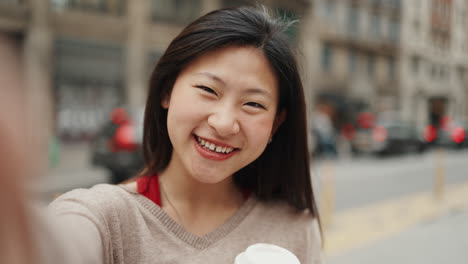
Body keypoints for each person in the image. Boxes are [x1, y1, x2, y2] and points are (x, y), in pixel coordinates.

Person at [1, 6, 323, 264]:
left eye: (253, 104)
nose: (224, 123)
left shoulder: (295, 228)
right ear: (166, 93)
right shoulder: (107, 218)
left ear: (276, 125)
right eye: (208, 90)